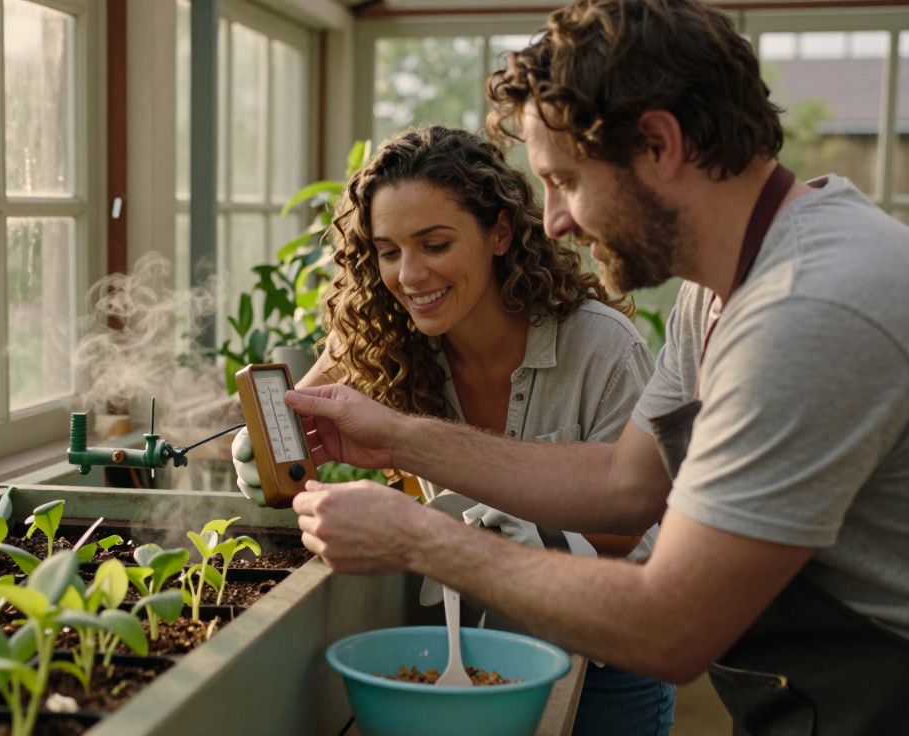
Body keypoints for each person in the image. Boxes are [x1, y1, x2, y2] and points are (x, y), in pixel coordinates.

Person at [285, 0, 909, 732]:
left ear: (659, 143)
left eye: (565, 181)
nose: (552, 222)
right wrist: (393, 437)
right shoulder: (718, 290)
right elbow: (624, 483)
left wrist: (422, 539)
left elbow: (670, 627)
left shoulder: (809, 309)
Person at [233, 125, 674, 734]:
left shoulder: (601, 347)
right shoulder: (381, 337)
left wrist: (532, 528)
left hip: (607, 654)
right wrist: (264, 444)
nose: (410, 275)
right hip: (469, 642)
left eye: (435, 244)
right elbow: (295, 410)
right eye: (388, 251)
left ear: (499, 232)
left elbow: (628, 526)